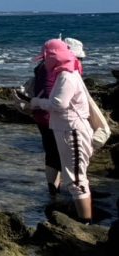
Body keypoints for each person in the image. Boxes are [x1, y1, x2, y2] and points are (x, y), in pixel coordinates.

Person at [30, 39, 95, 222]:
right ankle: (84, 218)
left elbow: (59, 103)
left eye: (47, 57)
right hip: (67, 129)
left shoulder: (66, 75)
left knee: (76, 180)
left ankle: (85, 222)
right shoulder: (69, 72)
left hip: (71, 130)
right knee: (74, 176)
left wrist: (36, 102)